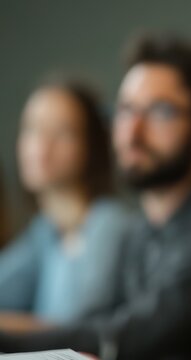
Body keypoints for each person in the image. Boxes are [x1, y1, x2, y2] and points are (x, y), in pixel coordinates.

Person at [0, 33, 191, 360]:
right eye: (126, 110)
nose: (132, 132)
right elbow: (94, 322)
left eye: (160, 112)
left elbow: (127, 337)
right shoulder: (144, 230)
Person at [0, 78, 128, 327]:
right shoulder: (45, 232)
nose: (40, 146)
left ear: (90, 145)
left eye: (61, 132)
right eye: (32, 129)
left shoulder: (108, 223)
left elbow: (78, 330)